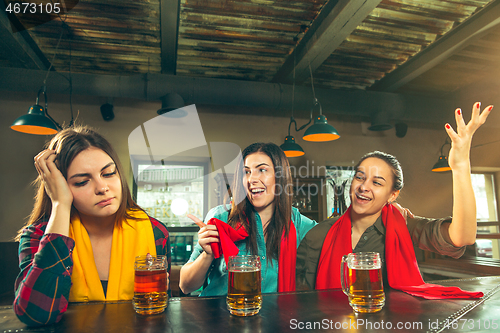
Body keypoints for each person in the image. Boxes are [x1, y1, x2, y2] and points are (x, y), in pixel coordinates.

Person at [296, 102, 492, 296]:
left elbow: (462, 237)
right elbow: (301, 301)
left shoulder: (405, 226)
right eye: (360, 177)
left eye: (377, 183)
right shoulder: (318, 235)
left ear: (393, 195)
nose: (364, 187)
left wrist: (460, 167)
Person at [13, 126, 170, 326]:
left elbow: (160, 315)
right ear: (58, 186)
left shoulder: (155, 231)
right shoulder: (38, 235)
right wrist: (60, 204)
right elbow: (35, 315)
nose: (102, 188)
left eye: (108, 173)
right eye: (82, 182)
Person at [179, 142, 317, 296]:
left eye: (262, 170)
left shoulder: (297, 222)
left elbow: (333, 241)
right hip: (220, 316)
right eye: (246, 172)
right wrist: (207, 254)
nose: (252, 179)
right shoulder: (220, 217)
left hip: (275, 318)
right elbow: (185, 286)